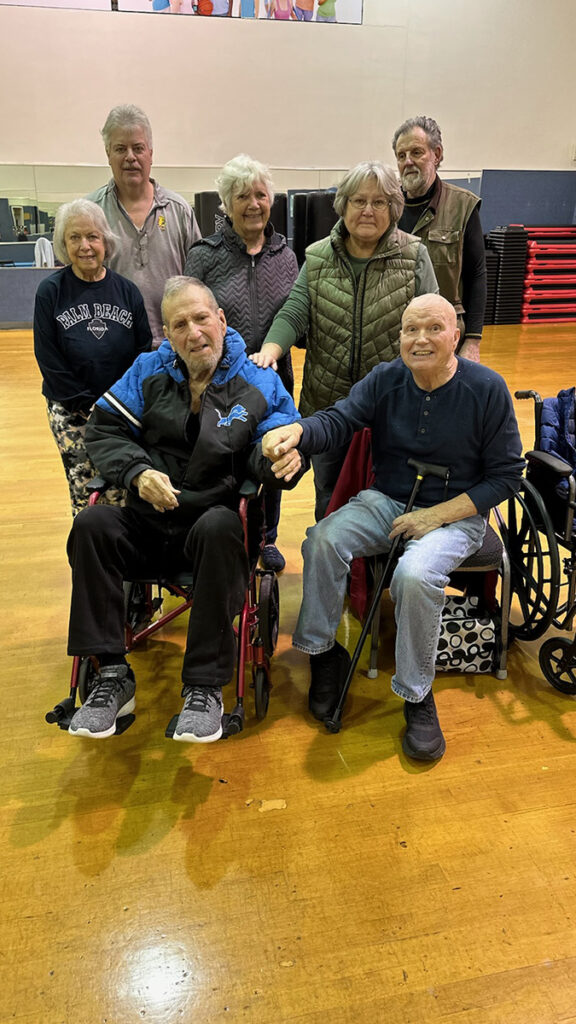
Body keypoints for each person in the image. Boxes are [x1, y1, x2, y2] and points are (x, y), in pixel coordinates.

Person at [262, 294, 524, 762]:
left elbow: (505, 477)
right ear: (399, 337)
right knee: (323, 539)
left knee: (414, 574)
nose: (419, 339)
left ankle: (416, 692)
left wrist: (435, 517)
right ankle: (324, 654)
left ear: (456, 337)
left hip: (456, 514)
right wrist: (299, 432)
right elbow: (341, 419)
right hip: (388, 501)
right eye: (409, 330)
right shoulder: (387, 378)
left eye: (432, 329)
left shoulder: (488, 388)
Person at [65, 277, 305, 743]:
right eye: (180, 324)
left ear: (221, 320)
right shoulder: (148, 370)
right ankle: (111, 674)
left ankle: (204, 687)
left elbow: (273, 449)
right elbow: (102, 430)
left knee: (219, 525)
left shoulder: (257, 380)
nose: (194, 332)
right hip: (149, 520)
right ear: (168, 335)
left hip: (213, 530)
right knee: (92, 522)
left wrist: (280, 456)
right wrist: (136, 472)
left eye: (201, 318)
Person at [252, 160, 438, 520]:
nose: (367, 210)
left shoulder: (415, 255)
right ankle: (333, 572)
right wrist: (270, 351)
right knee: (330, 498)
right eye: (358, 200)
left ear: (394, 208)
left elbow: (432, 324)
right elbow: (295, 310)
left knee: (388, 499)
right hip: (329, 404)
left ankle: (375, 575)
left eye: (379, 202)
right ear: (343, 205)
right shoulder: (318, 255)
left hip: (395, 406)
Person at [185, 154, 298, 572]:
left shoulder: (286, 255)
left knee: (271, 453)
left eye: (260, 195)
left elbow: (298, 315)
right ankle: (223, 535)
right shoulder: (204, 255)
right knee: (222, 459)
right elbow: (190, 314)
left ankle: (266, 538)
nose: (253, 204)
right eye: (242, 196)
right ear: (225, 204)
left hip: (273, 381)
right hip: (218, 383)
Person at [33, 199, 152, 515]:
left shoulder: (127, 292)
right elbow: (48, 358)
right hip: (72, 413)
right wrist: (85, 405)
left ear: (105, 242)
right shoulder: (51, 292)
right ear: (63, 243)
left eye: (92, 236)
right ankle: (89, 556)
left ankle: (127, 553)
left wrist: (118, 404)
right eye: (75, 237)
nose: (85, 246)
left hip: (122, 411)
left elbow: (142, 352)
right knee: (86, 492)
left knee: (125, 483)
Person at [86, 104, 201, 347]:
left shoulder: (179, 210)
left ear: (150, 152)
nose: (130, 157)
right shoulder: (91, 213)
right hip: (113, 347)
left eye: (138, 148)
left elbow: (197, 281)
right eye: (120, 148)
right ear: (108, 153)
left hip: (174, 346)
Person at [392, 115, 487, 363]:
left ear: (437, 154)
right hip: (393, 335)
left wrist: (473, 341)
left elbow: (476, 275)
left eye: (416, 152)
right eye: (401, 156)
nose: (408, 162)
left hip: (443, 337)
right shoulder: (386, 206)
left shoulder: (463, 206)